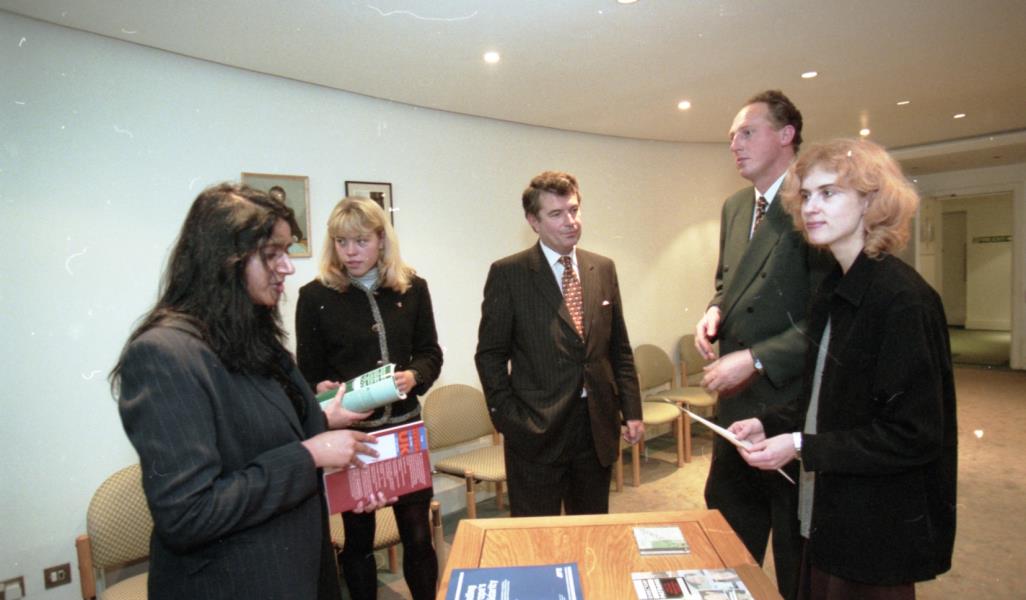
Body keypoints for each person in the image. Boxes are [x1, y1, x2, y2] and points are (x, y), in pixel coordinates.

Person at [111, 183, 388, 600]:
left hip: (299, 567)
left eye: (286, 251)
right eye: (272, 254)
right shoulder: (163, 354)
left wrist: (328, 436)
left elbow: (258, 433)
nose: (288, 267)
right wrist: (311, 455)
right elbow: (189, 514)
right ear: (224, 259)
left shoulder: (251, 333)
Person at [731, 139, 957, 599]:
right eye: (806, 195)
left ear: (872, 201)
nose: (811, 207)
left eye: (829, 193)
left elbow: (914, 434)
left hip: (874, 527)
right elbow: (827, 396)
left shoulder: (903, 299)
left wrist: (799, 445)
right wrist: (769, 423)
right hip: (828, 513)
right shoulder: (835, 287)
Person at [694, 90, 833, 600]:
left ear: (786, 134)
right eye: (732, 136)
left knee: (796, 556)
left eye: (747, 132)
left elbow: (828, 320)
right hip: (736, 409)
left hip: (792, 408)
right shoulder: (735, 207)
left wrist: (755, 358)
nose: (735, 144)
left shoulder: (813, 204)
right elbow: (728, 283)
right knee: (726, 544)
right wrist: (714, 311)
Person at [296, 197, 443, 600]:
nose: (351, 252)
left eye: (361, 241)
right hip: (353, 439)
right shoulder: (315, 296)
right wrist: (320, 390)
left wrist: (415, 375)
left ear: (381, 240)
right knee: (359, 540)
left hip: (405, 431)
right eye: (341, 242)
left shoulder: (413, 288)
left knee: (418, 537)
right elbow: (307, 375)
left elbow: (430, 353)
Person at [475, 170, 644, 517]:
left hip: (595, 426)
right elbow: (490, 356)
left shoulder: (603, 268)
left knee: (591, 528)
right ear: (533, 221)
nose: (570, 221)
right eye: (556, 214)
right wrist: (510, 420)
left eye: (574, 210)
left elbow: (619, 347)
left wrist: (631, 409)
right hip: (536, 431)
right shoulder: (509, 274)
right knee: (538, 535)